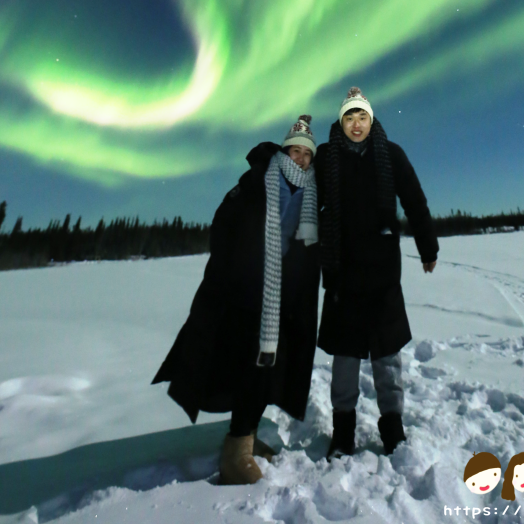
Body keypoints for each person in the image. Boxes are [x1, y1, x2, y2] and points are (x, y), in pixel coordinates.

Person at [152, 115, 320, 485]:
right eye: (296, 151)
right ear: (284, 151)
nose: (301, 160)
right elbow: (225, 224)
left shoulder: (309, 193)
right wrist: (242, 265)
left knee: (268, 373)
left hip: (284, 303)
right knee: (251, 370)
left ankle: (246, 436)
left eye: (307, 155)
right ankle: (236, 452)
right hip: (248, 297)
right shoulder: (258, 182)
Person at [315, 86, 438, 457]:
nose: (356, 124)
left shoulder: (391, 154)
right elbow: (303, 198)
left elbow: (415, 200)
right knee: (346, 357)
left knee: (387, 356)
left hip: (383, 273)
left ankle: (392, 428)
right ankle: (343, 432)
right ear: (341, 121)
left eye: (362, 117)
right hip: (341, 274)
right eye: (350, 117)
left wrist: (427, 245)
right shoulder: (325, 157)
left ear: (371, 120)